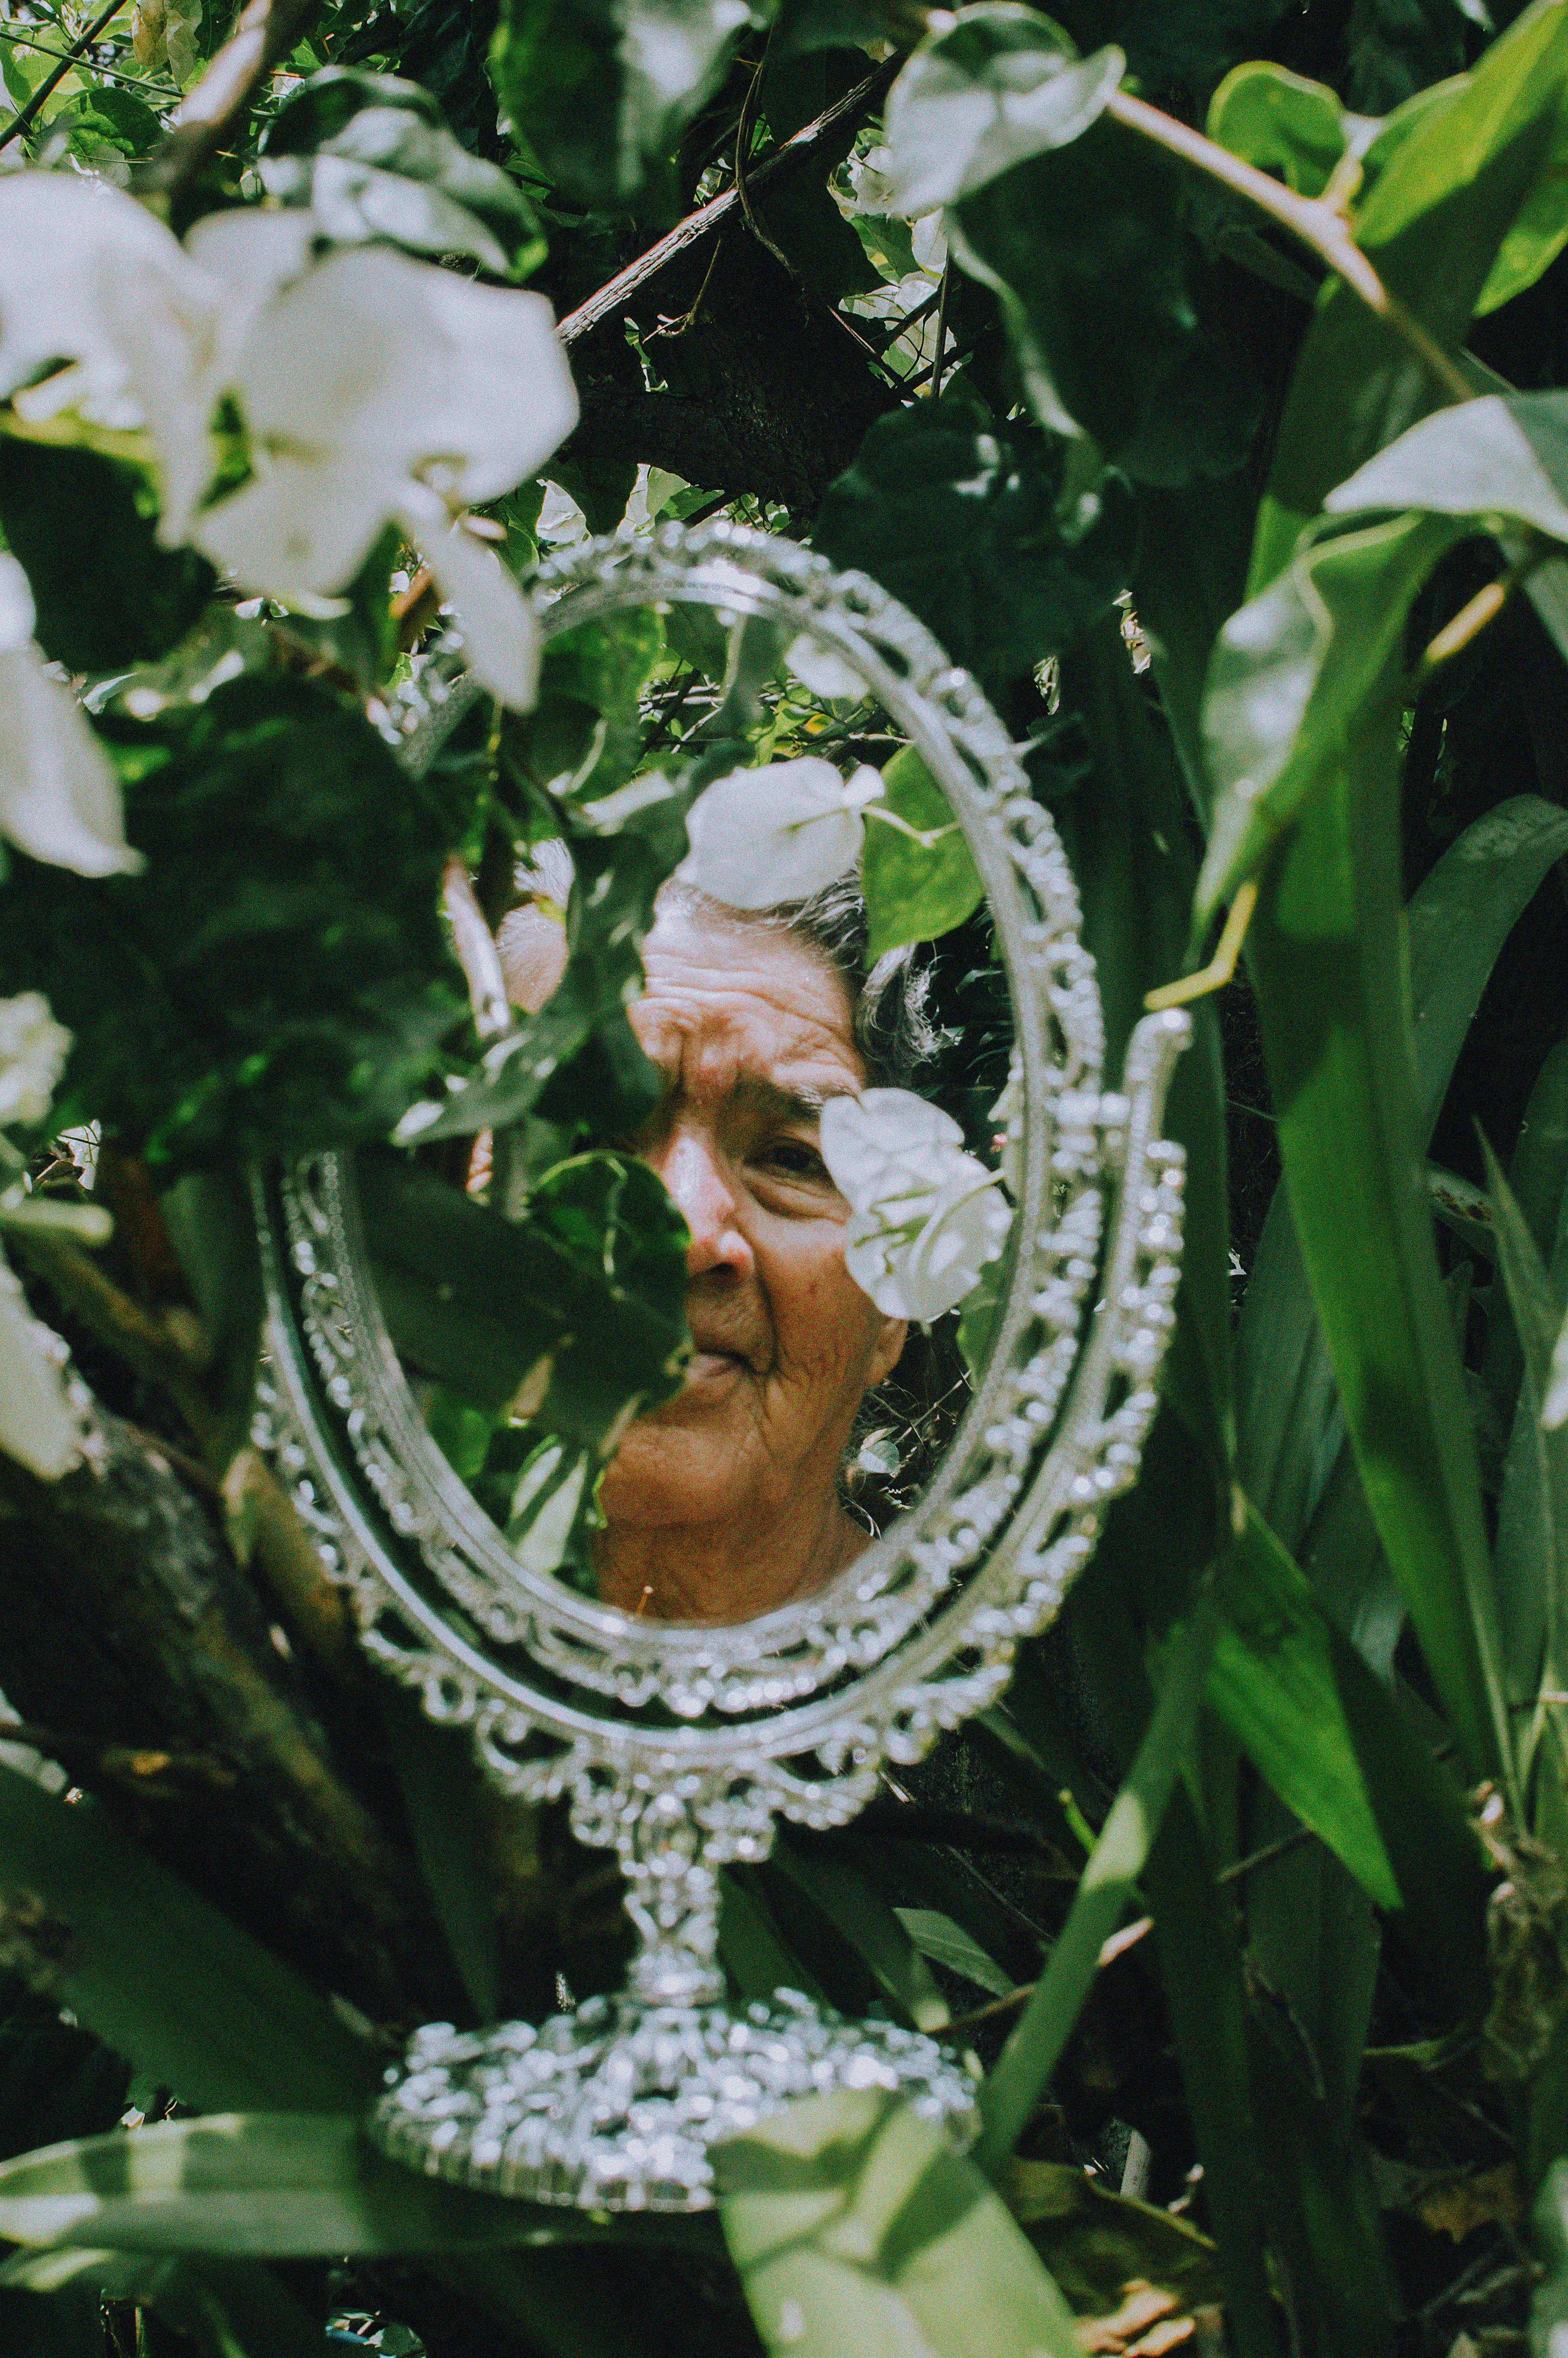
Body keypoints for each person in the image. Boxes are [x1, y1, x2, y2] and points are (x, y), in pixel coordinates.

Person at [494, 864, 933, 1626]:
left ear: (894, 1297)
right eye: (594, 1137)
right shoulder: (276, 1636)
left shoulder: (1022, 1719)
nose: (690, 1237)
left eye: (794, 1160)